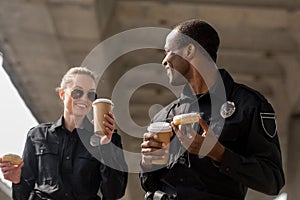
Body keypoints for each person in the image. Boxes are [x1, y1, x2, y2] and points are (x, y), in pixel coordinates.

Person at [140, 19, 285, 200]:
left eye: (168, 51)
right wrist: (148, 162)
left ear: (189, 50)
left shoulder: (248, 105)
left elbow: (272, 181)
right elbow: (149, 184)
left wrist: (218, 153)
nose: (164, 61)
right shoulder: (165, 116)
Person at [0, 67, 128, 200]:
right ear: (62, 94)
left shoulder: (109, 139)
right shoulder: (37, 136)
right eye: (77, 92)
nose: (84, 99)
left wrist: (106, 147)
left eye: (90, 95)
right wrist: (16, 181)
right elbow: (22, 195)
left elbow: (115, 193)